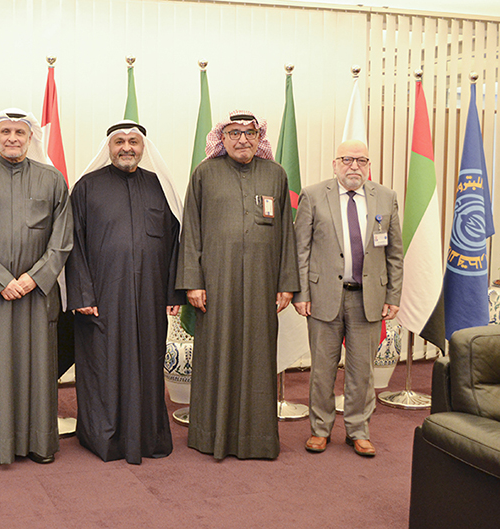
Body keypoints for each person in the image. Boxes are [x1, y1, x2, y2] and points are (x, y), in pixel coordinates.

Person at [176, 110, 298, 460]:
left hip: (263, 285)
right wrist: (192, 283)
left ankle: (257, 438)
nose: (242, 139)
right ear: (222, 138)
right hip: (216, 285)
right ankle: (210, 435)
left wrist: (287, 284)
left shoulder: (275, 174)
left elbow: (286, 233)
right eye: (234, 133)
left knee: (259, 358)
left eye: (250, 133)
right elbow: (191, 231)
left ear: (259, 138)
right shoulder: (205, 174)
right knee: (217, 355)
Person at [0, 108, 72, 467]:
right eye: (5, 131)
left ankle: (39, 443)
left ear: (30, 137)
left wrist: (33, 278)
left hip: (37, 295)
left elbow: (62, 239)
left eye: (19, 132)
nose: (12, 138)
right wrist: (1, 281)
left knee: (38, 369)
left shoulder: (52, 180)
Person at [66, 120, 184, 464]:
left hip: (150, 298)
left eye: (133, 141)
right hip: (102, 298)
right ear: (109, 147)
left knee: (148, 364)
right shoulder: (87, 187)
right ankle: (104, 437)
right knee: (103, 366)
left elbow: (176, 243)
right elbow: (73, 243)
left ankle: (148, 436)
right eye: (120, 142)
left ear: (143, 147)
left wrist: (172, 294)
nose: (127, 147)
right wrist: (82, 295)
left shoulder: (159, 187)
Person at [293, 139, 403, 457]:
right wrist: (301, 292)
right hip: (323, 296)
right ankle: (320, 430)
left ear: (369, 165)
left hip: (368, 298)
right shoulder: (314, 195)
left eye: (361, 160)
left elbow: (394, 253)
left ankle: (358, 430)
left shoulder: (386, 197)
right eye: (347, 159)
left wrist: (393, 294)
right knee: (322, 369)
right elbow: (301, 250)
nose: (354, 166)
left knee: (362, 371)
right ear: (335, 164)